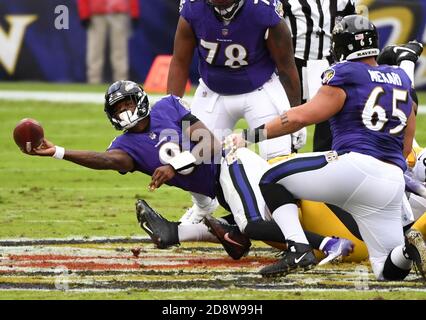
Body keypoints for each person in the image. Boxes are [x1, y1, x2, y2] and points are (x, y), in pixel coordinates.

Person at [20, 80, 352, 263]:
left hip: (233, 161)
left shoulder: (167, 106)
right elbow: (106, 160)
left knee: (254, 224)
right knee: (263, 228)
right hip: (218, 188)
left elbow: (208, 143)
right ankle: (219, 234)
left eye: (128, 104)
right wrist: (58, 152)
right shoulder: (126, 144)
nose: (125, 112)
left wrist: (172, 167)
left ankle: (326, 243)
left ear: (141, 100)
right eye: (118, 109)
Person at [230, 15, 425, 281]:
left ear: (342, 46)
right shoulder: (402, 78)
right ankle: (406, 250)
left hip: (354, 166)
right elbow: (406, 140)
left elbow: (302, 117)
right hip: (391, 180)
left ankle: (298, 247)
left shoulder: (346, 73)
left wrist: (249, 135)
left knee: (272, 179)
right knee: (385, 270)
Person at [167, 0, 305, 225]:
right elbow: (180, 61)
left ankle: (282, 215)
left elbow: (286, 64)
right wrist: (172, 105)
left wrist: (295, 114)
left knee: (278, 160)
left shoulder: (262, 8)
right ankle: (203, 206)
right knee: (187, 152)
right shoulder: (193, 8)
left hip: (260, 89)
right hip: (213, 90)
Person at [281, 0, 356, 152]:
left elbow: (351, 29)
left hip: (329, 68)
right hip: (292, 67)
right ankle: (282, 169)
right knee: (287, 125)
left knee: (329, 130)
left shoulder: (344, 2)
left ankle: (325, 170)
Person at [77, 0, 140, 84]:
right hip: (97, 13)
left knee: (119, 49)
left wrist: (134, 12)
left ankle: (121, 82)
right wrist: (84, 14)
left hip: (118, 12)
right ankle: (93, 81)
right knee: (95, 49)